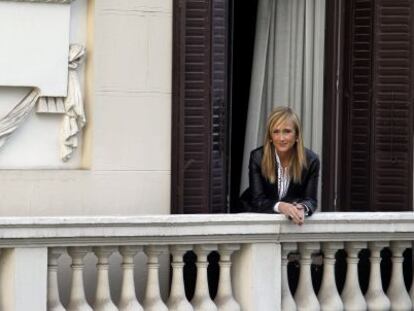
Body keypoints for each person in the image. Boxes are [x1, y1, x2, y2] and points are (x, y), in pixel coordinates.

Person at [240, 106, 320, 225]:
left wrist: (302, 208)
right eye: (276, 132)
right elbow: (258, 200)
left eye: (287, 131)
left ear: (297, 136)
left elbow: (311, 200)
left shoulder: (311, 160)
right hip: (254, 218)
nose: (281, 138)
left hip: (288, 224)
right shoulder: (257, 157)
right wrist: (281, 206)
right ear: (270, 137)